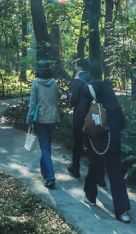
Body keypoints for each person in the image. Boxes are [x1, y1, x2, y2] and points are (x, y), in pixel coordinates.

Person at [76, 76, 131, 222]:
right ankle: (122, 210)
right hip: (113, 138)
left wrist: (80, 136)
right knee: (116, 171)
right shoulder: (111, 99)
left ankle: (90, 195)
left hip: (97, 138)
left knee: (95, 166)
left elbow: (81, 113)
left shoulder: (89, 92)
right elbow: (122, 121)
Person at [26, 61, 60, 189]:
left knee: (44, 147)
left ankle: (50, 177)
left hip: (40, 119)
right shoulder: (54, 82)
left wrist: (29, 119)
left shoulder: (35, 83)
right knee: (47, 146)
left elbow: (33, 103)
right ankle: (45, 173)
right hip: (53, 118)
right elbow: (59, 95)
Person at [68, 57, 94, 177]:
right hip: (94, 114)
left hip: (80, 115)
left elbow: (73, 101)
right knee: (93, 143)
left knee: (78, 141)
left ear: (78, 65)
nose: (74, 66)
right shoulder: (92, 78)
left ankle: (75, 168)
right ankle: (98, 174)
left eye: (75, 64)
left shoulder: (77, 80)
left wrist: (69, 97)